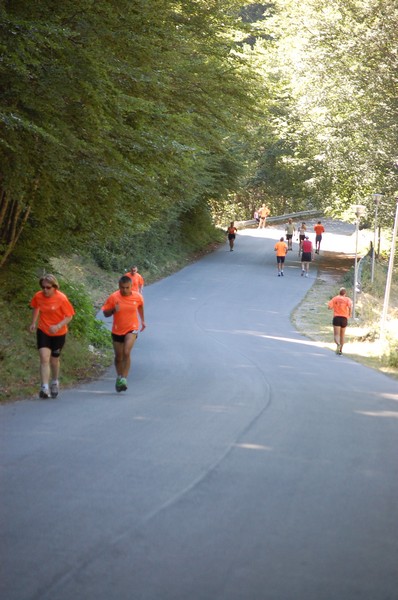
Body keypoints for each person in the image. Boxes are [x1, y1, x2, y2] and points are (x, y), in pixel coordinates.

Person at [29, 274, 75, 399]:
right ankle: (44, 387)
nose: (45, 290)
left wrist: (58, 326)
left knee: (54, 360)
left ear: (55, 287)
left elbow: (69, 316)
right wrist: (33, 322)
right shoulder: (38, 296)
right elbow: (36, 307)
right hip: (43, 330)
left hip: (58, 333)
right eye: (43, 287)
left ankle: (54, 381)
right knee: (44, 358)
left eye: (48, 287)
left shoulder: (62, 298)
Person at [102, 275, 146, 393]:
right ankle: (119, 377)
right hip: (117, 330)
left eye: (127, 287)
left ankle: (124, 379)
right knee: (118, 356)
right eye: (122, 288)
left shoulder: (138, 297)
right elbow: (105, 313)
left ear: (131, 286)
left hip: (132, 328)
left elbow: (140, 307)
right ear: (119, 286)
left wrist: (143, 321)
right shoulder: (113, 297)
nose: (125, 290)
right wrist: (113, 310)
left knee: (126, 352)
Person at [328, 287, 352, 355]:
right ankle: (341, 350)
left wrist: (334, 306)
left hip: (337, 317)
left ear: (339, 292)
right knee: (342, 335)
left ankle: (338, 344)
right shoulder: (348, 299)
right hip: (344, 318)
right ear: (345, 293)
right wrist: (349, 314)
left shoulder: (335, 298)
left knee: (336, 335)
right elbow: (350, 307)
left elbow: (329, 307)